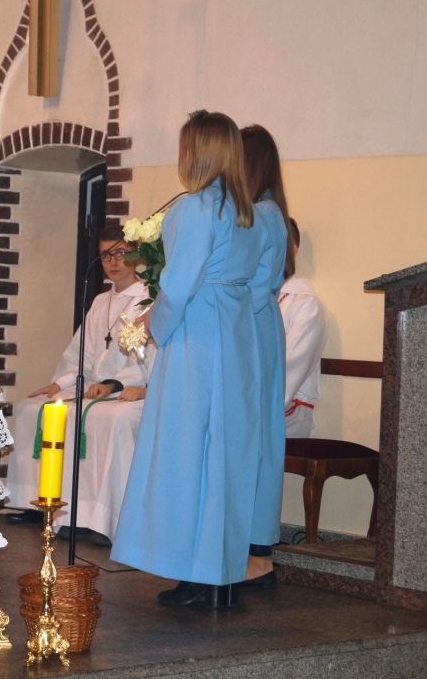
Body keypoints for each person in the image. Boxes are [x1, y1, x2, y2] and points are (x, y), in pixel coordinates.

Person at [112, 110, 263, 608]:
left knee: (186, 449)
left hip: (198, 338)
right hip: (234, 335)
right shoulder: (248, 212)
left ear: (195, 152)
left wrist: (152, 326)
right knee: (225, 453)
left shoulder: (196, 209)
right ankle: (221, 570)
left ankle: (196, 570)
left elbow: (178, 286)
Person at [5, 226, 155, 546]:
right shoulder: (101, 301)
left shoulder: (148, 298)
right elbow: (81, 353)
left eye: (120, 254)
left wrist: (115, 384)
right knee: (32, 410)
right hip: (95, 388)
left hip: (132, 390)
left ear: (136, 255)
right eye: (106, 256)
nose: (113, 262)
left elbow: (150, 359)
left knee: (108, 420)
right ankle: (37, 503)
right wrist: (59, 383)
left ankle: (99, 517)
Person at [240, 124, 290, 588]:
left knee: (252, 437)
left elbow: (250, 283)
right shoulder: (272, 211)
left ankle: (256, 553)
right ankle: (256, 549)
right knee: (259, 436)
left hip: (250, 326)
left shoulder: (258, 214)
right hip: (261, 325)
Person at [280, 218, 327, 438]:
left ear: (292, 249)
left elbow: (288, 371)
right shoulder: (253, 298)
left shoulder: (306, 304)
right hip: (249, 405)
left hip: (287, 413)